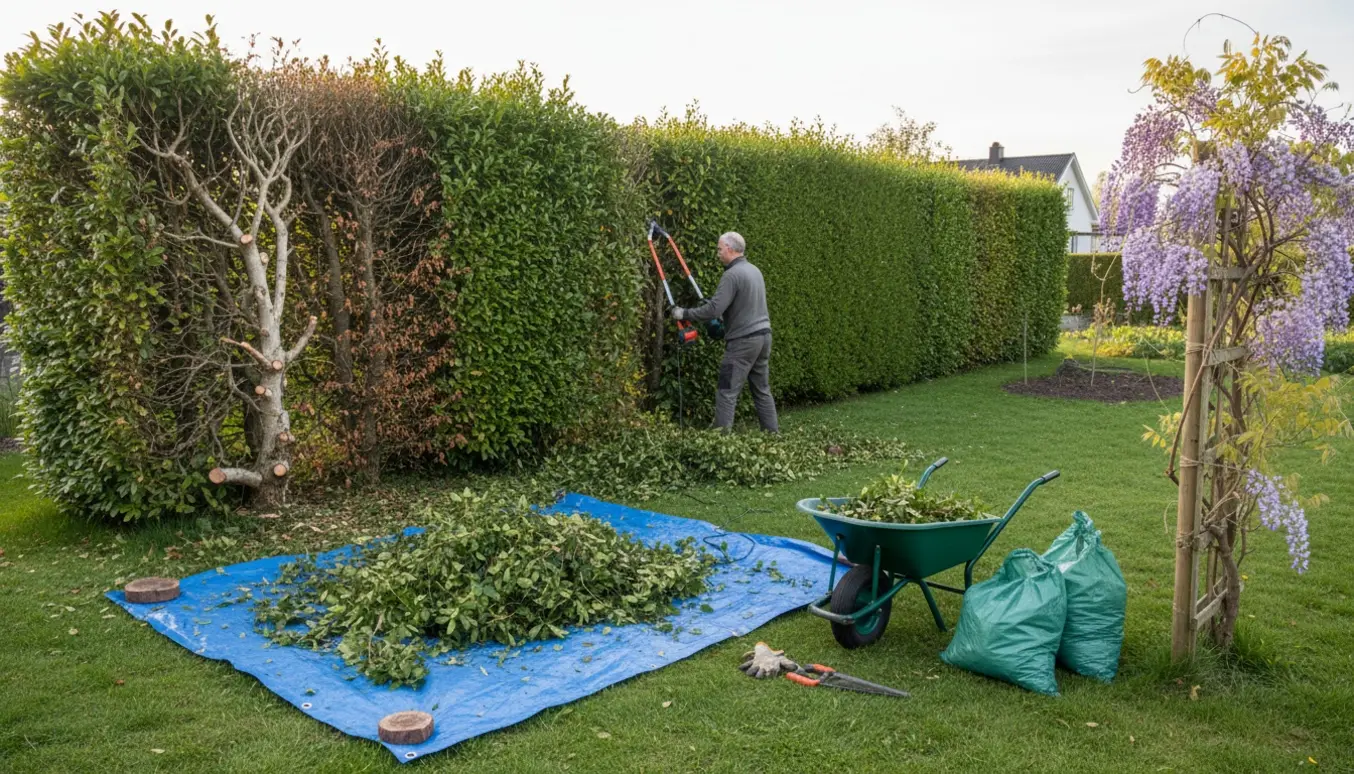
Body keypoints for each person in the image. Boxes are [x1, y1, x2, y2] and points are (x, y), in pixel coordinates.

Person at [670, 231, 779, 433]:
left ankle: (719, 444)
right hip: (763, 338)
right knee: (762, 390)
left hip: (743, 343)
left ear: (729, 249)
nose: (718, 253)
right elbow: (739, 306)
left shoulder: (732, 275)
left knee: (726, 391)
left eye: (719, 249)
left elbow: (714, 309)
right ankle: (773, 436)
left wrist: (683, 313)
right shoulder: (754, 270)